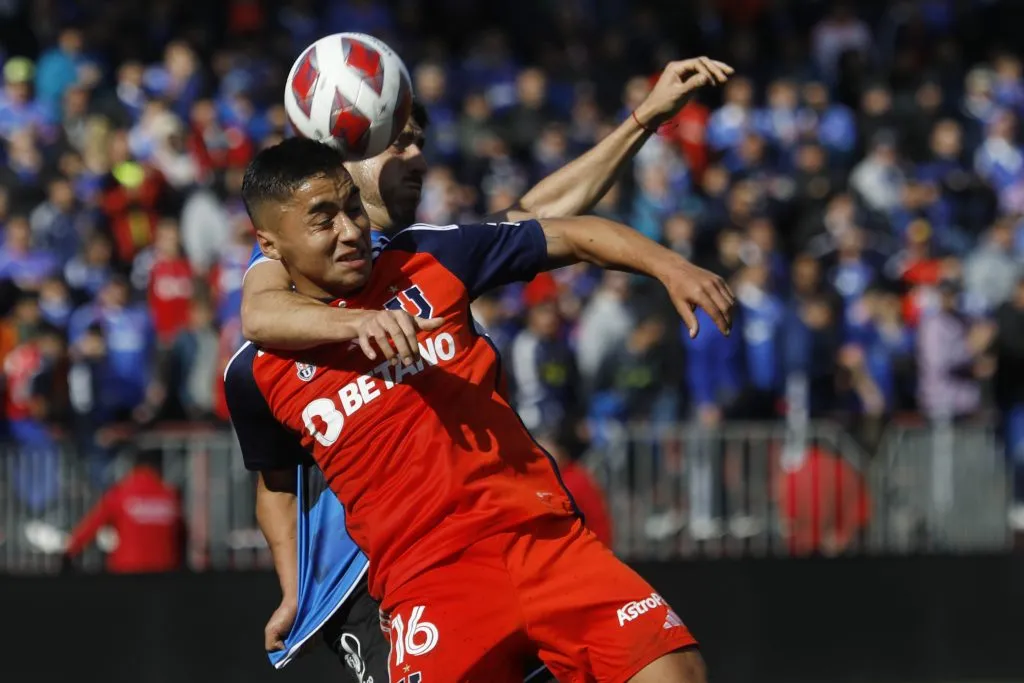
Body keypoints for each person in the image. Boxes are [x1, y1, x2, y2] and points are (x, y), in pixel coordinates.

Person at [234, 56, 735, 680]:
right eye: (396, 140)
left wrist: (641, 122)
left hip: (528, 532)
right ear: (345, 154)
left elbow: (545, 221)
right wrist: (294, 588)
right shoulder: (266, 334)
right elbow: (260, 332)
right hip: (379, 583)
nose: (415, 154)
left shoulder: (428, 258)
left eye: (418, 139)